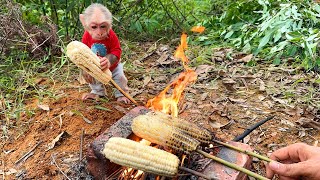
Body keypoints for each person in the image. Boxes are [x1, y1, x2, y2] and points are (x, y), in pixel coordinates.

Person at [79, 3, 130, 103]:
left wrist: (108, 61)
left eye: (103, 26)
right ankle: (97, 92)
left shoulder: (111, 35)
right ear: (85, 24)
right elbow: (83, 53)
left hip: (113, 66)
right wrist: (85, 68)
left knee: (120, 76)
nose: (99, 32)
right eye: (94, 27)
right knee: (91, 76)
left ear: (109, 24)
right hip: (95, 67)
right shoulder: (86, 36)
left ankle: (121, 94)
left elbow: (117, 50)